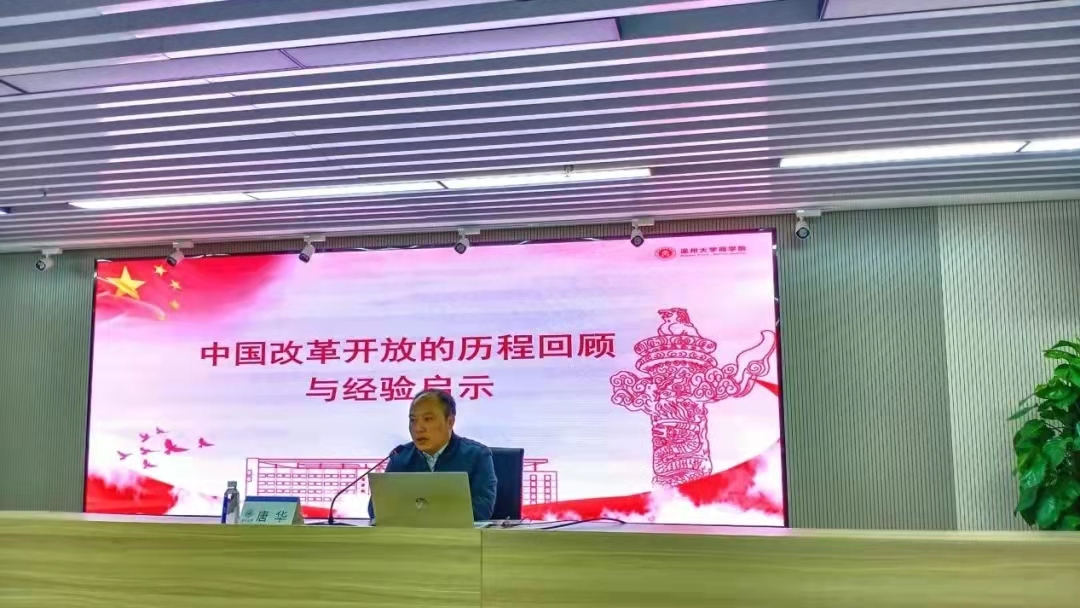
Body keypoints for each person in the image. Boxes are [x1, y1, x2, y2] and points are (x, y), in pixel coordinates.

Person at [368, 389, 497, 521]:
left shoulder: (476, 455)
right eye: (413, 420)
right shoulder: (399, 457)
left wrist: (419, 514)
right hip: (409, 533)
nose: (418, 428)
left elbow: (482, 509)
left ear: (450, 421)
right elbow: (375, 509)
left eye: (428, 419)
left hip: (457, 534)